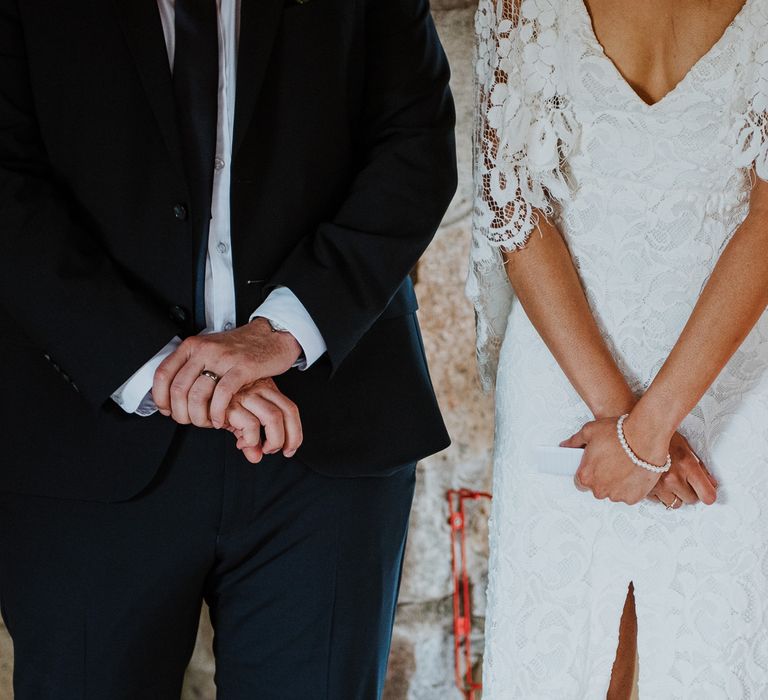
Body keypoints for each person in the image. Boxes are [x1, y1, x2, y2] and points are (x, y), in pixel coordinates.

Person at [0, 1, 457, 698]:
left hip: (324, 446)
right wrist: (151, 366)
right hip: (81, 441)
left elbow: (416, 141)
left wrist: (283, 331)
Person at [470, 0, 768, 697]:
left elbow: (515, 209)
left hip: (630, 378)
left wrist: (638, 435)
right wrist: (644, 433)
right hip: (694, 378)